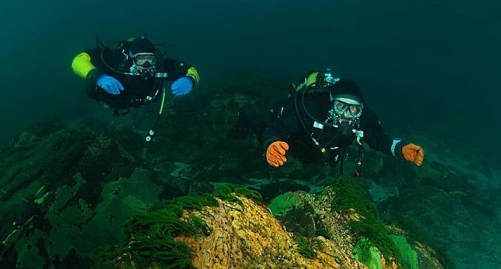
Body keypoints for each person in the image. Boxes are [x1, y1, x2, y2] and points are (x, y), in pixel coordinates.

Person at [228, 71, 425, 175]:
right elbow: (276, 129)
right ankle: (247, 113)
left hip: (317, 152)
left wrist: (401, 148)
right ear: (331, 102)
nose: (347, 114)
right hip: (294, 139)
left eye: (353, 109)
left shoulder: (364, 117)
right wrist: (271, 143)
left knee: (310, 159)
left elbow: (378, 139)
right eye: (341, 106)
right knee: (263, 129)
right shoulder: (310, 107)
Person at [71, 36, 200, 116]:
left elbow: (191, 70)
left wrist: (190, 80)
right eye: (141, 59)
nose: (147, 64)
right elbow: (78, 60)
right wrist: (98, 77)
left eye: (151, 59)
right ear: (132, 59)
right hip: (108, 101)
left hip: (138, 103)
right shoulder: (114, 60)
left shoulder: (160, 66)